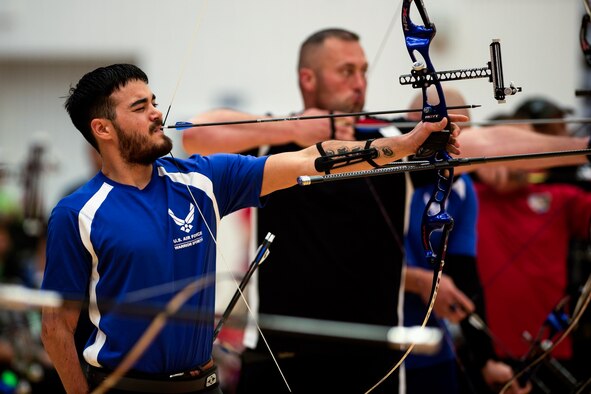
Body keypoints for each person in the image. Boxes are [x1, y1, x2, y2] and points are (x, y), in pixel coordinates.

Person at [183, 28, 590, 393]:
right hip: (279, 355)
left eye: (363, 71)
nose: (360, 83)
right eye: (346, 71)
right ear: (308, 78)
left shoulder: (395, 141)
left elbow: (489, 145)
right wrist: (293, 129)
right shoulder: (270, 144)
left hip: (374, 357)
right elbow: (194, 135)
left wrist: (580, 146)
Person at [38, 63, 462, 394]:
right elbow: (57, 326)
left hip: (203, 385)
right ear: (103, 129)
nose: (156, 113)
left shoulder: (202, 180)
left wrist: (405, 146)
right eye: (139, 107)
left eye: (153, 100)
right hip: (123, 388)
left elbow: (309, 159)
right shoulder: (77, 213)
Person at [403, 88, 529, 394]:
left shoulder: (462, 189)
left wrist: (486, 358)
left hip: (433, 347)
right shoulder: (390, 178)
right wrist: (418, 280)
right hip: (385, 343)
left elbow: (465, 273)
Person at [474, 101, 591, 392]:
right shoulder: (468, 195)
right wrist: (477, 167)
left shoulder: (559, 197)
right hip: (491, 355)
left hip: (551, 350)